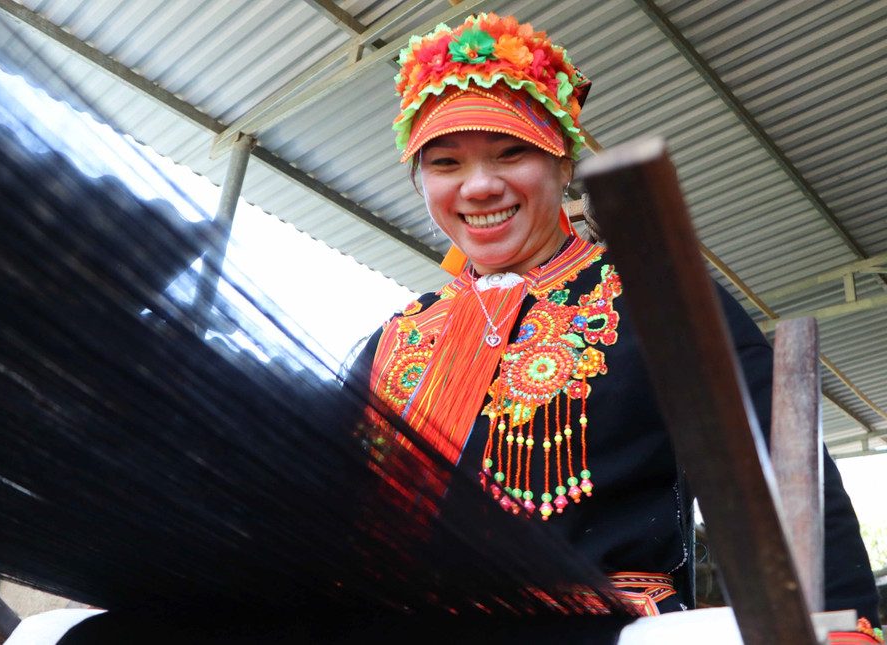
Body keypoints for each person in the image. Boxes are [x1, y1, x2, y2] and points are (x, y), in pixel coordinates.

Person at [347, 12, 882, 641]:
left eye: (511, 151)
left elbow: (781, 470)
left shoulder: (658, 299)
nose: (481, 185)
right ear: (420, 181)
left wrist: (842, 627)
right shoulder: (394, 341)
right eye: (445, 163)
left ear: (563, 163)